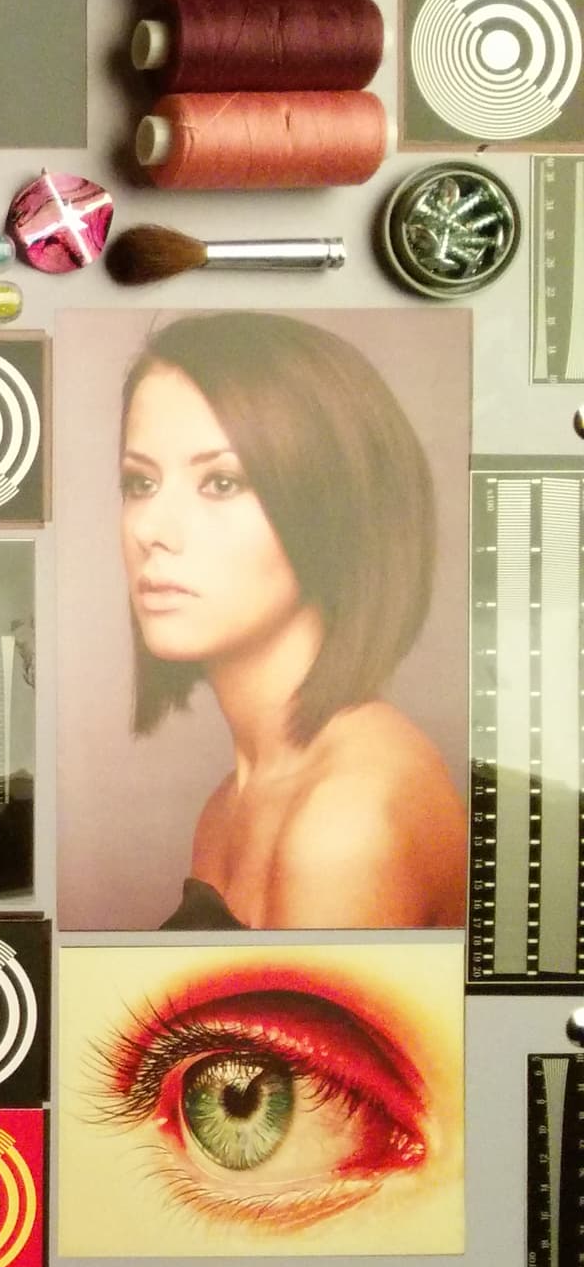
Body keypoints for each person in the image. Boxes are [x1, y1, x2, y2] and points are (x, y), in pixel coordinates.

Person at [115, 313, 464, 930]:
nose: (151, 529)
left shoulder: (345, 818)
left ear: (331, 508)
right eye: (141, 482)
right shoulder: (231, 802)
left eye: (222, 482)